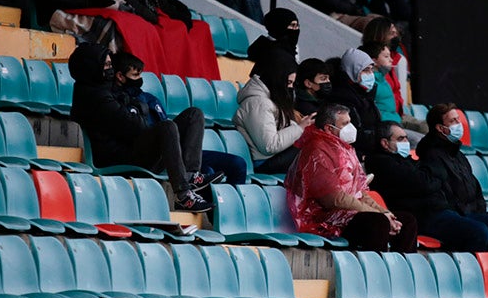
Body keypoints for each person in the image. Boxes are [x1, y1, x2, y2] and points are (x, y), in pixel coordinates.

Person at [67, 43, 219, 214]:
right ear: (92, 67)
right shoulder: (95, 96)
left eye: (111, 64)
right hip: (118, 156)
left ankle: (191, 175)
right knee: (167, 127)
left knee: (194, 115)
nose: (111, 69)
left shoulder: (103, 87)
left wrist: (135, 109)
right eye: (107, 65)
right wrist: (139, 110)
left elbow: (131, 113)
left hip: (131, 147)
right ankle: (183, 195)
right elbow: (133, 127)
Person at [366, 121, 488, 252]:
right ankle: (468, 275)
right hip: (423, 217)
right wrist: (434, 178)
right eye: (400, 138)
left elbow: (431, 181)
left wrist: (432, 179)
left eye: (406, 137)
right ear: (385, 143)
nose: (406, 141)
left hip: (442, 211)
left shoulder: (409, 161)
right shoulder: (382, 162)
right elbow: (423, 184)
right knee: (478, 232)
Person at [285, 104, 418, 251]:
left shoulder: (344, 148)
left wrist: (385, 212)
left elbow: (359, 192)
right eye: (345, 124)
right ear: (329, 128)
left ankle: (397, 270)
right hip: (325, 218)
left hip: (350, 212)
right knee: (377, 222)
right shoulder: (317, 150)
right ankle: (374, 270)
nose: (351, 128)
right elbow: (334, 199)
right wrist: (378, 214)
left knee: (406, 221)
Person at [110, 51, 246, 185]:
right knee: (207, 170)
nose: (139, 79)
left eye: (140, 74)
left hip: (175, 153)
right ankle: (188, 185)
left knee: (195, 114)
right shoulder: (115, 102)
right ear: (120, 76)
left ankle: (192, 175)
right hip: (146, 156)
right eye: (135, 75)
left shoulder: (149, 98)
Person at [415, 103, 488, 251]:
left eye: (458, 119)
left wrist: (480, 211)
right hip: (446, 215)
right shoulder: (431, 154)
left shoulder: (458, 154)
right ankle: (470, 269)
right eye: (453, 121)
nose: (459, 124)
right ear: (440, 128)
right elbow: (439, 194)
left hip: (467, 212)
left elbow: (474, 188)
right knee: (479, 232)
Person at [233, 48, 313, 173]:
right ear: (277, 77)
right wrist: (299, 128)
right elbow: (269, 145)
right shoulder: (258, 103)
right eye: (288, 82)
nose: (290, 88)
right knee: (313, 154)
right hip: (264, 161)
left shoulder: (272, 96)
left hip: (276, 156)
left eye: (292, 83)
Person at [329, 47, 383, 155]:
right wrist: (382, 137)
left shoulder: (364, 94)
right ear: (352, 70)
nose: (371, 74)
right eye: (365, 70)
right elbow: (354, 135)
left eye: (372, 70)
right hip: (355, 154)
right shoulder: (342, 96)